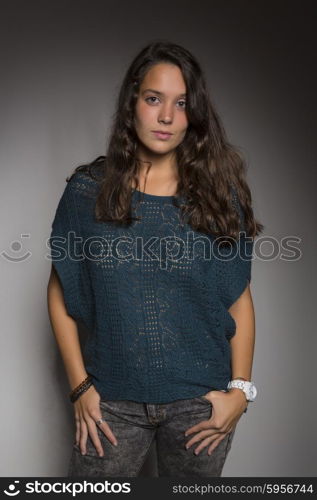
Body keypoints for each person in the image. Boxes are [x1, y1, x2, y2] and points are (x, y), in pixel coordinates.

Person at [47, 40, 263, 478]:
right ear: (132, 104)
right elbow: (59, 290)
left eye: (181, 104)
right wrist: (79, 386)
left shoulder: (217, 197)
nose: (166, 116)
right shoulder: (87, 191)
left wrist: (241, 391)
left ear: (195, 115)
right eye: (153, 99)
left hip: (199, 405)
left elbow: (238, 298)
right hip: (112, 401)